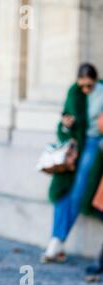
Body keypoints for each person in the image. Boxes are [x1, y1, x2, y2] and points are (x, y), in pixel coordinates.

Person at [41, 63, 103, 263]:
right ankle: (56, 244)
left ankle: (56, 242)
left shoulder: (102, 93)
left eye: (89, 86)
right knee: (61, 193)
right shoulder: (73, 93)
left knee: (79, 192)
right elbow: (62, 125)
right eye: (82, 85)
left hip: (94, 144)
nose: (85, 90)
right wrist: (66, 126)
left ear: (95, 82)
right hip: (73, 147)